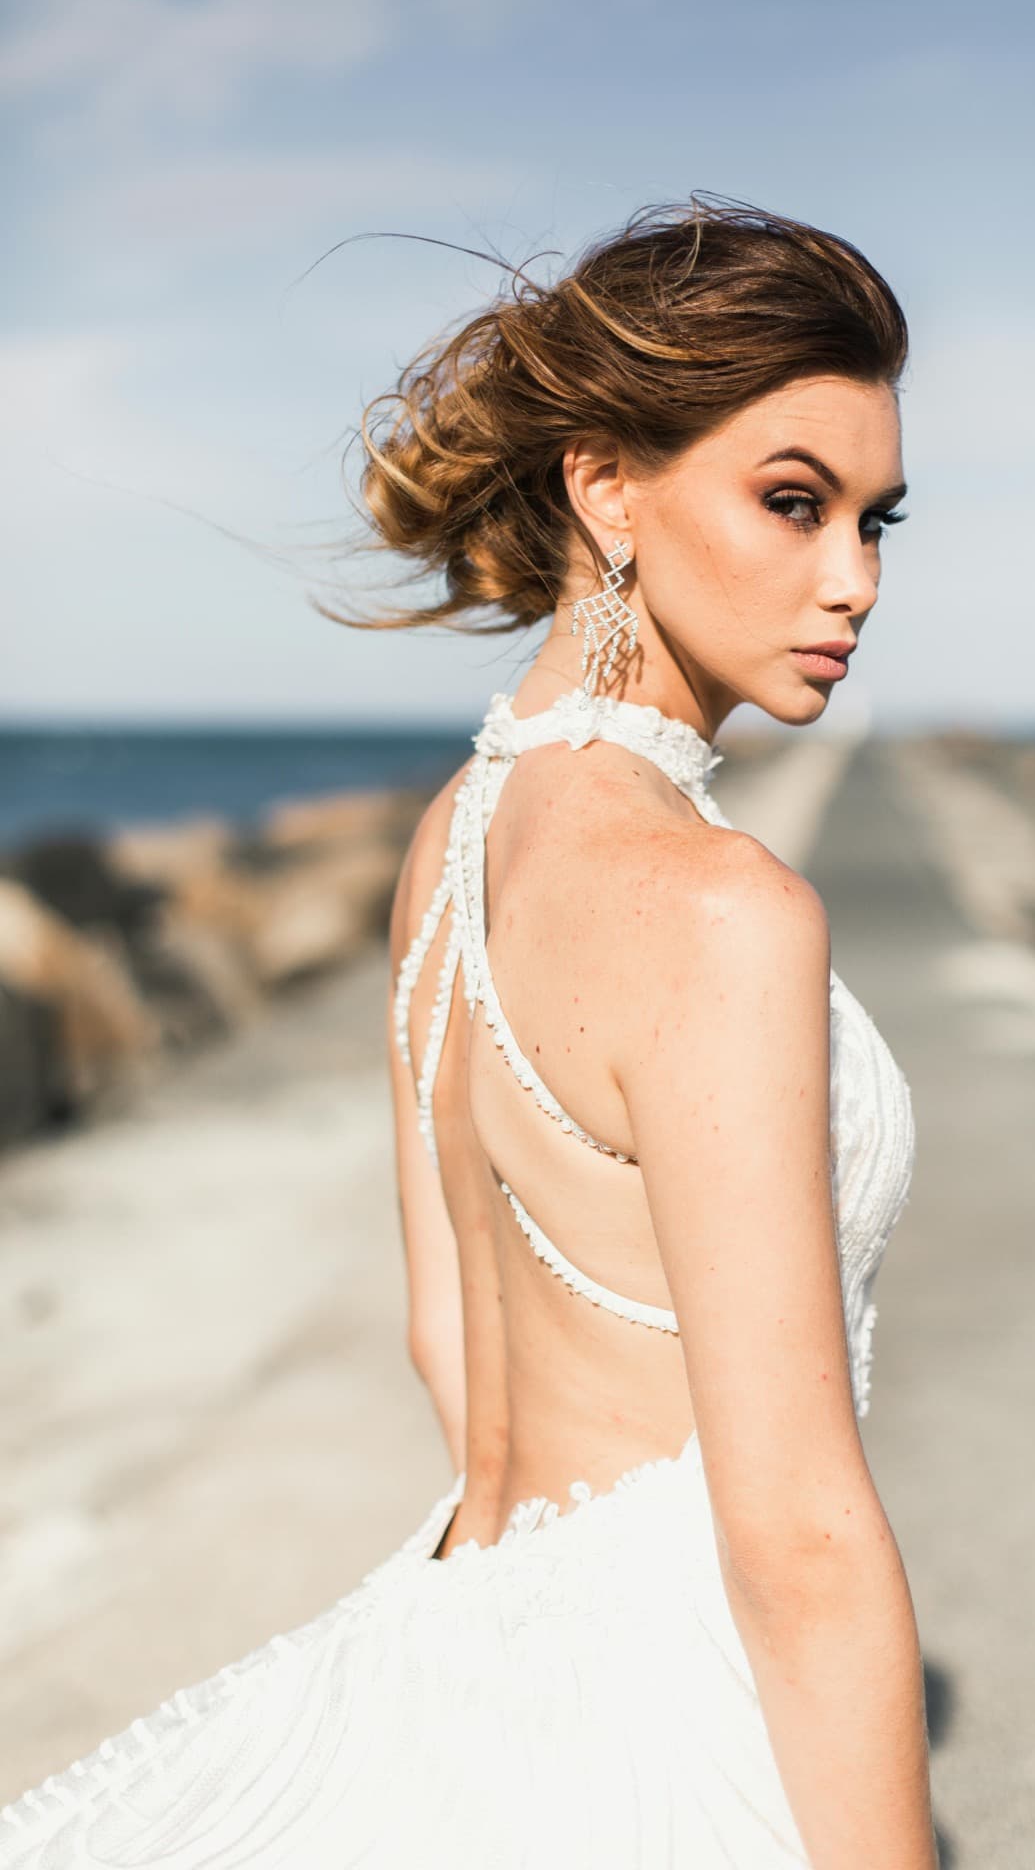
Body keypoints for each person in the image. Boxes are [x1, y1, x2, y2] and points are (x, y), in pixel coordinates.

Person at [0, 194, 936, 1868]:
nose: (850, 580)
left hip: (446, 1652)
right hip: (670, 1720)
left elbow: (451, 1341)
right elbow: (797, 1533)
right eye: (793, 505)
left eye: (876, 519)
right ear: (605, 485)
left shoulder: (451, 839)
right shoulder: (725, 914)